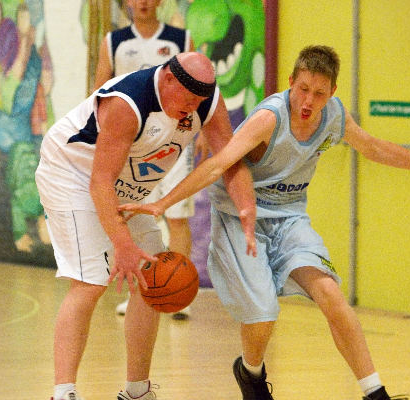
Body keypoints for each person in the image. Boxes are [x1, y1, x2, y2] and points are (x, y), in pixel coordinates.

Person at [119, 45, 410, 400]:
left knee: (330, 294)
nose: (308, 100)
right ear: (291, 82)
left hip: (290, 217)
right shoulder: (269, 119)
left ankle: (375, 393)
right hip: (240, 217)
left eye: (319, 93)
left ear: (331, 92)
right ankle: (251, 372)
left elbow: (374, 148)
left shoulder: (333, 116)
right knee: (262, 313)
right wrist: (162, 203)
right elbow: (218, 164)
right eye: (303, 89)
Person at [35, 52, 256, 400]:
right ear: (168, 77)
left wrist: (246, 208)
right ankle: (63, 393)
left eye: (199, 102)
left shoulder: (206, 103)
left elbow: (230, 162)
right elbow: (99, 183)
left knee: (153, 280)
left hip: (122, 185)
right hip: (73, 174)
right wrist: (122, 244)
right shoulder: (130, 103)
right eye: (187, 100)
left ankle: (137, 392)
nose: (191, 110)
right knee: (90, 283)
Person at [94, 0, 201, 319]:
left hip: (175, 139)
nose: (142, 2)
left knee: (178, 217)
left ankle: (178, 290)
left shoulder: (181, 40)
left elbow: (203, 91)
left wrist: (206, 132)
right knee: (135, 217)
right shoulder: (114, 42)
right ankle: (142, 290)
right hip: (133, 145)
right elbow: (99, 90)